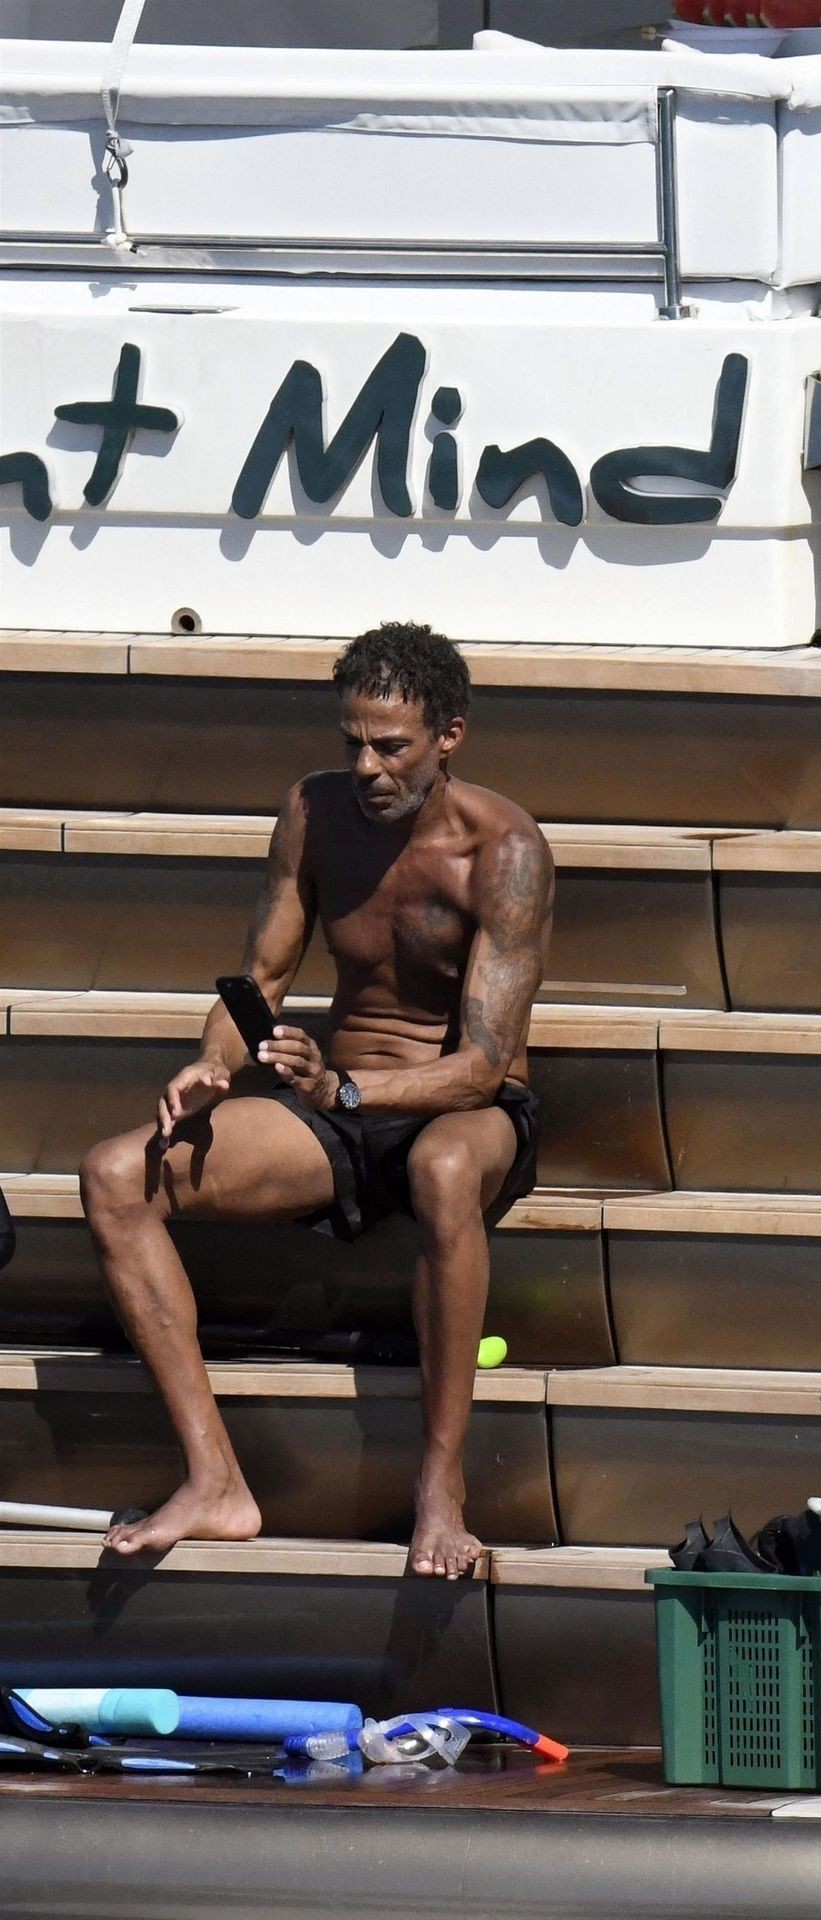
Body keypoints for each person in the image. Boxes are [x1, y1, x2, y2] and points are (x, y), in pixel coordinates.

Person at [79, 621, 554, 1578]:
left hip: (462, 1112)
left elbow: (483, 1065)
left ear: (450, 736)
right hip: (335, 1108)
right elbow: (260, 977)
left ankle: (440, 1490)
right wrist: (213, 1064)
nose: (367, 767)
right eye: (353, 743)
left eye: (392, 747)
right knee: (114, 1174)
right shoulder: (311, 811)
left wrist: (349, 1086)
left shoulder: (504, 849)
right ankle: (216, 1482)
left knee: (442, 1166)